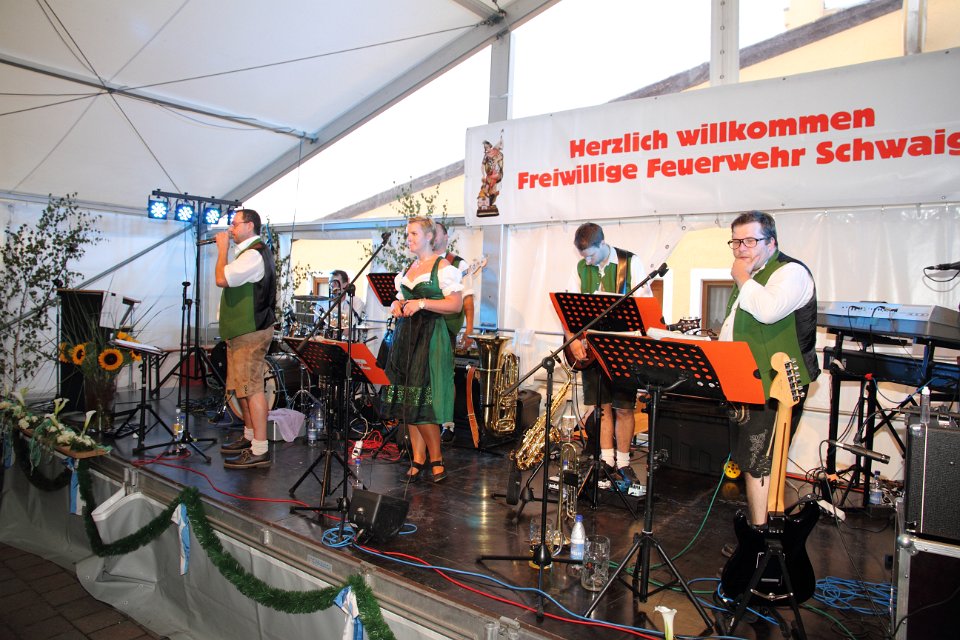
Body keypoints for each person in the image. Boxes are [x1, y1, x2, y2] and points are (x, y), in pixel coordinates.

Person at [720, 210, 819, 528]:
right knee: (750, 461)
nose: (741, 248)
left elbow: (767, 311)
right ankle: (758, 531)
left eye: (750, 240)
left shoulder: (790, 272)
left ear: (772, 242)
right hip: (745, 379)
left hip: (778, 384)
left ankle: (760, 535)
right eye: (736, 241)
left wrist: (742, 278)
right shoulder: (752, 276)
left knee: (760, 461)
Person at [380, 217, 463, 482]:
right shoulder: (409, 269)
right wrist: (396, 305)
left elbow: (455, 305)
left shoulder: (443, 267)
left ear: (429, 236)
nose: (409, 239)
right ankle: (417, 458)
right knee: (409, 400)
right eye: (408, 234)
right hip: (406, 337)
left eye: (414, 234)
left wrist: (423, 303)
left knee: (423, 401)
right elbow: (401, 299)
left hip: (430, 337)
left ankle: (436, 459)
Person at [565, 222, 648, 485]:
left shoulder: (631, 263)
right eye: (584, 256)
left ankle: (623, 463)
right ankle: (606, 460)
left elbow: (645, 308)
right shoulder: (581, 267)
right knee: (601, 408)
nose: (587, 261)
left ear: (602, 244)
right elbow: (568, 309)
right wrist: (572, 340)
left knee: (624, 408)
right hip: (591, 349)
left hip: (623, 350)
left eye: (590, 255)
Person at [215, 209, 277, 469]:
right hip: (240, 331)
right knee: (241, 386)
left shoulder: (254, 254)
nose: (230, 229)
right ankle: (250, 436)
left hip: (251, 331)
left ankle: (260, 449)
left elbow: (221, 278)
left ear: (249, 226)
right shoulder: (247, 253)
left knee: (251, 388)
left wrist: (222, 250)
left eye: (235, 224)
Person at [433, 222, 475, 443]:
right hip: (424, 328)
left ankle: (447, 424)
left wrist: (469, 329)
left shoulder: (458, 264)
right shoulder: (423, 262)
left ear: (445, 237)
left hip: (446, 328)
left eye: (436, 232)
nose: (432, 236)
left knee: (445, 376)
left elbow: (467, 298)